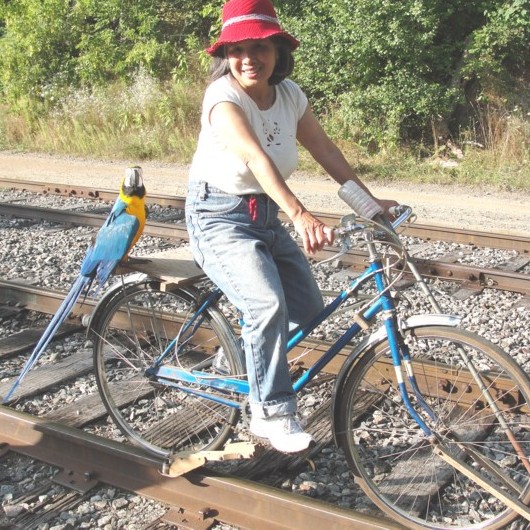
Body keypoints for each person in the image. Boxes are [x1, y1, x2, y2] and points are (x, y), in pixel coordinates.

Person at [185, 0, 397, 453]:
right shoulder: (222, 97)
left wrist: (368, 202)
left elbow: (326, 151)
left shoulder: (290, 96)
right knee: (265, 306)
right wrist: (300, 213)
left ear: (278, 49)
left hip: (265, 215)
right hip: (217, 215)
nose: (248, 58)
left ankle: (235, 359)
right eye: (237, 48)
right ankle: (272, 412)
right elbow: (255, 159)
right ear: (226, 54)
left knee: (306, 306)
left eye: (259, 46)